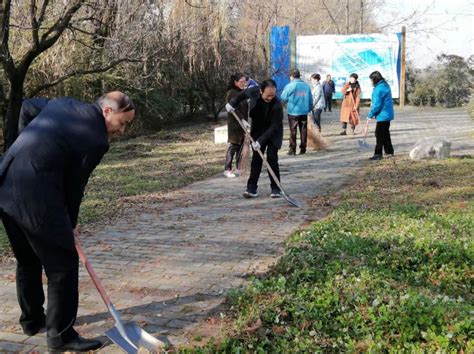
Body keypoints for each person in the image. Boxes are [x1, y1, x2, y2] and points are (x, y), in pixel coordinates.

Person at [0, 92, 135, 352]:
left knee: (28, 259)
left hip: (6, 184)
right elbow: (75, 186)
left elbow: (27, 107)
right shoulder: (96, 140)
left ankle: (32, 321)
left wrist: (25, 147)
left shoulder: (63, 104)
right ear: (107, 111)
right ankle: (61, 336)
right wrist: (69, 224)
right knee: (63, 264)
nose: (122, 130)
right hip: (36, 198)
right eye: (123, 122)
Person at [226, 79, 283, 198]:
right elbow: (241, 95)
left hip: (273, 133)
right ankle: (251, 189)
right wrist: (232, 104)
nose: (270, 98)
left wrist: (260, 141)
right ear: (261, 91)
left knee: (272, 158)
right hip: (258, 129)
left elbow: (274, 126)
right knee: (257, 160)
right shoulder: (253, 91)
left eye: (273, 95)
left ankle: (276, 188)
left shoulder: (277, 104)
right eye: (268, 96)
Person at [280, 69, 313, 155]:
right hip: (304, 112)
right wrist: (309, 108)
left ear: (292, 76)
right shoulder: (306, 86)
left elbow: (283, 97)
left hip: (293, 112)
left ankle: (292, 149)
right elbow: (310, 100)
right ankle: (303, 149)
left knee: (293, 130)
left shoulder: (290, 86)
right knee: (303, 130)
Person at [224, 73, 249, 178]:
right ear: (235, 82)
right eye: (241, 82)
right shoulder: (231, 93)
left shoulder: (242, 92)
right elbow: (233, 109)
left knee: (241, 146)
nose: (243, 83)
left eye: (244, 81)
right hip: (235, 124)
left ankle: (239, 168)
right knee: (233, 146)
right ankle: (227, 169)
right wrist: (242, 119)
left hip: (243, 124)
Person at [367, 71, 395, 160]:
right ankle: (389, 151)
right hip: (387, 114)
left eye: (371, 79)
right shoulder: (384, 85)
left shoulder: (379, 89)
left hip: (383, 115)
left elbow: (377, 104)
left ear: (375, 79)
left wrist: (370, 114)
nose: (371, 82)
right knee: (385, 133)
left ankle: (378, 154)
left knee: (379, 134)